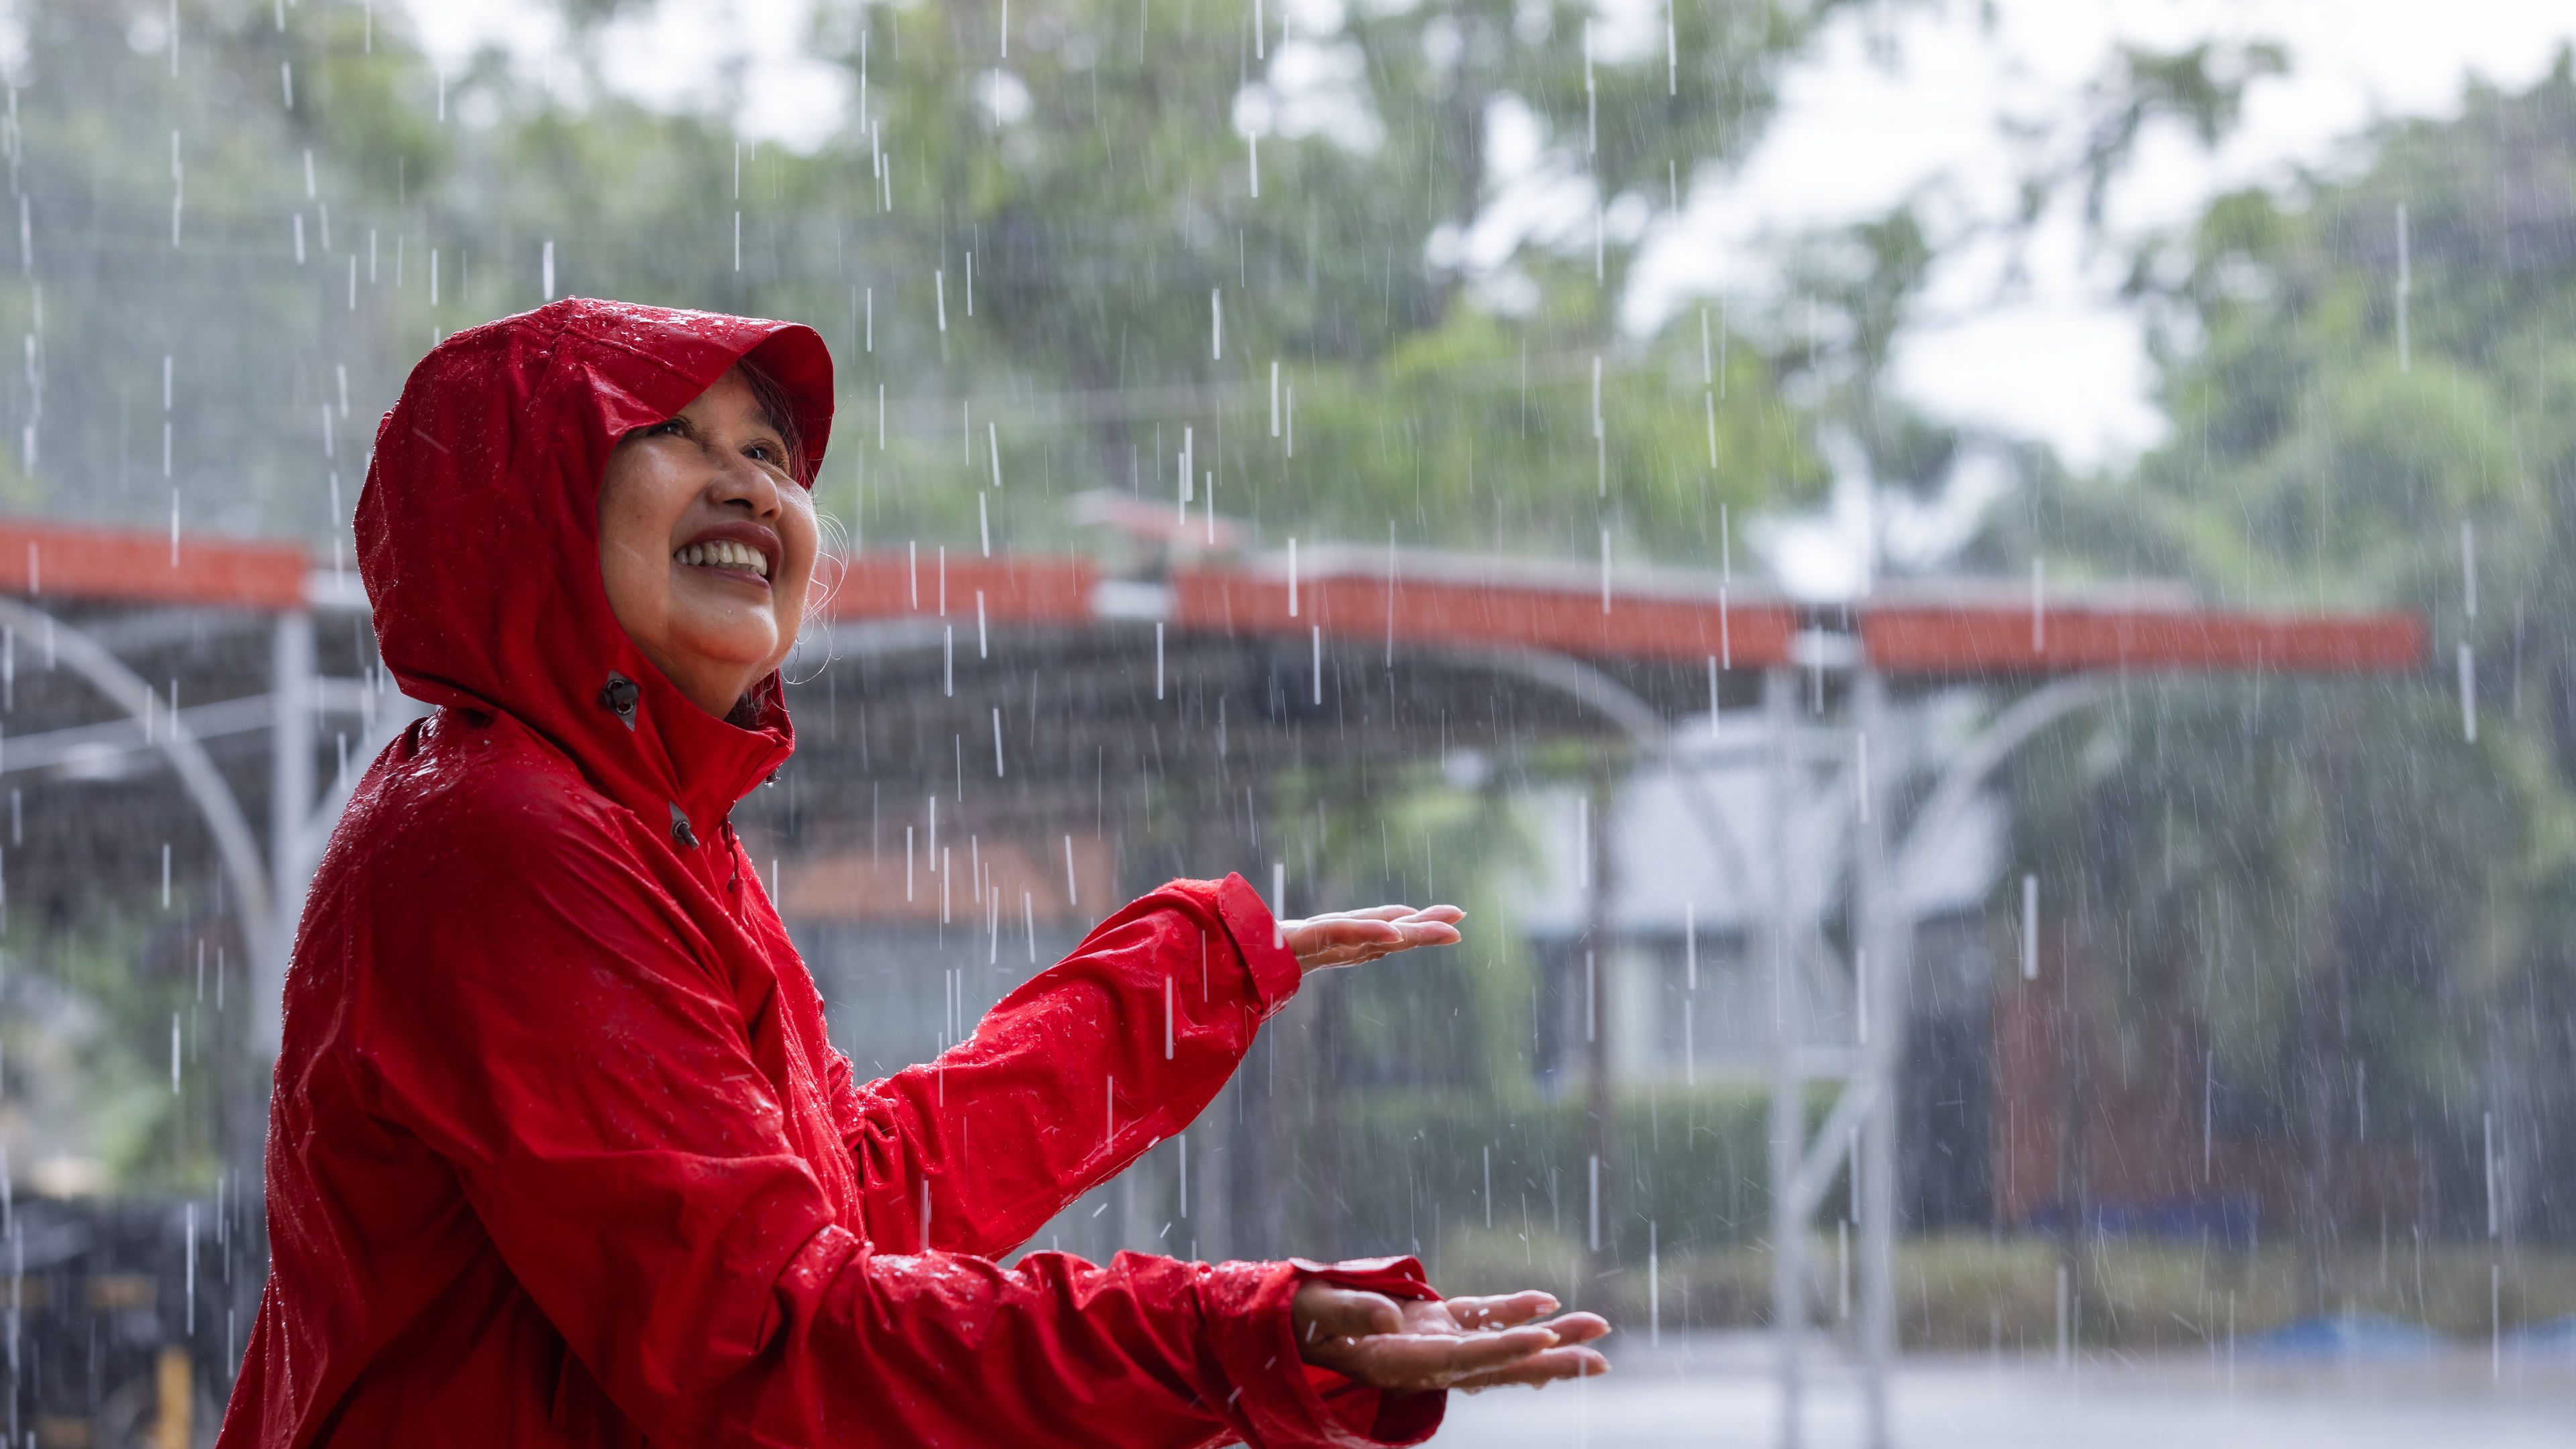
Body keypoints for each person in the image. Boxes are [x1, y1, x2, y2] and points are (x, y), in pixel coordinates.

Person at [217, 299, 1608, 1447]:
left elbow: (855, 1200)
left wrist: (1187, 981)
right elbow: (770, 1336)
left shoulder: (648, 833)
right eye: (672, 435)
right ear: (530, 503)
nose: (751, 482)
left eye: (771, 453)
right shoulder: (504, 842)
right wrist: (1236, 1332)